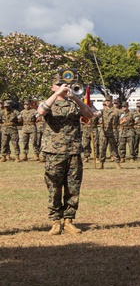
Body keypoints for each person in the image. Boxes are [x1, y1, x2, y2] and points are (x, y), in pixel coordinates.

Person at [37, 72, 99, 234]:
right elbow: (41, 112)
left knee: (73, 187)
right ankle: (56, 220)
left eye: (66, 85)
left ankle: (69, 219)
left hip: (73, 151)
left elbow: (90, 115)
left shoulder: (73, 104)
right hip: (54, 152)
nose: (64, 88)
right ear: (53, 87)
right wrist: (56, 94)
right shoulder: (49, 103)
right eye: (60, 85)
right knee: (54, 187)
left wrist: (76, 98)